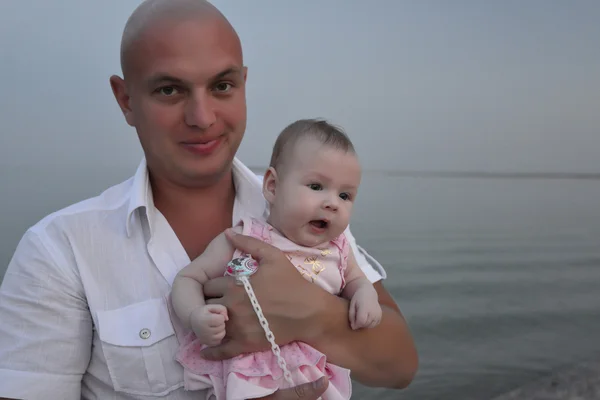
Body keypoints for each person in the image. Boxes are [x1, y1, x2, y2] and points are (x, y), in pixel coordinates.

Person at [0, 0, 418, 399]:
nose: (202, 117)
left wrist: (312, 314)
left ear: (243, 85)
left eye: (222, 85)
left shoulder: (309, 211)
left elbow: (399, 368)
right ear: (126, 99)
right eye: (169, 90)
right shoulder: (60, 252)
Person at [170, 119, 383, 400]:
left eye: (345, 195)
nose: (333, 202)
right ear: (272, 186)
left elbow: (355, 280)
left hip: (318, 375)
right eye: (316, 186)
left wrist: (366, 295)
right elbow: (188, 278)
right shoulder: (245, 238)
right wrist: (195, 315)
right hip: (254, 374)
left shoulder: (339, 248)